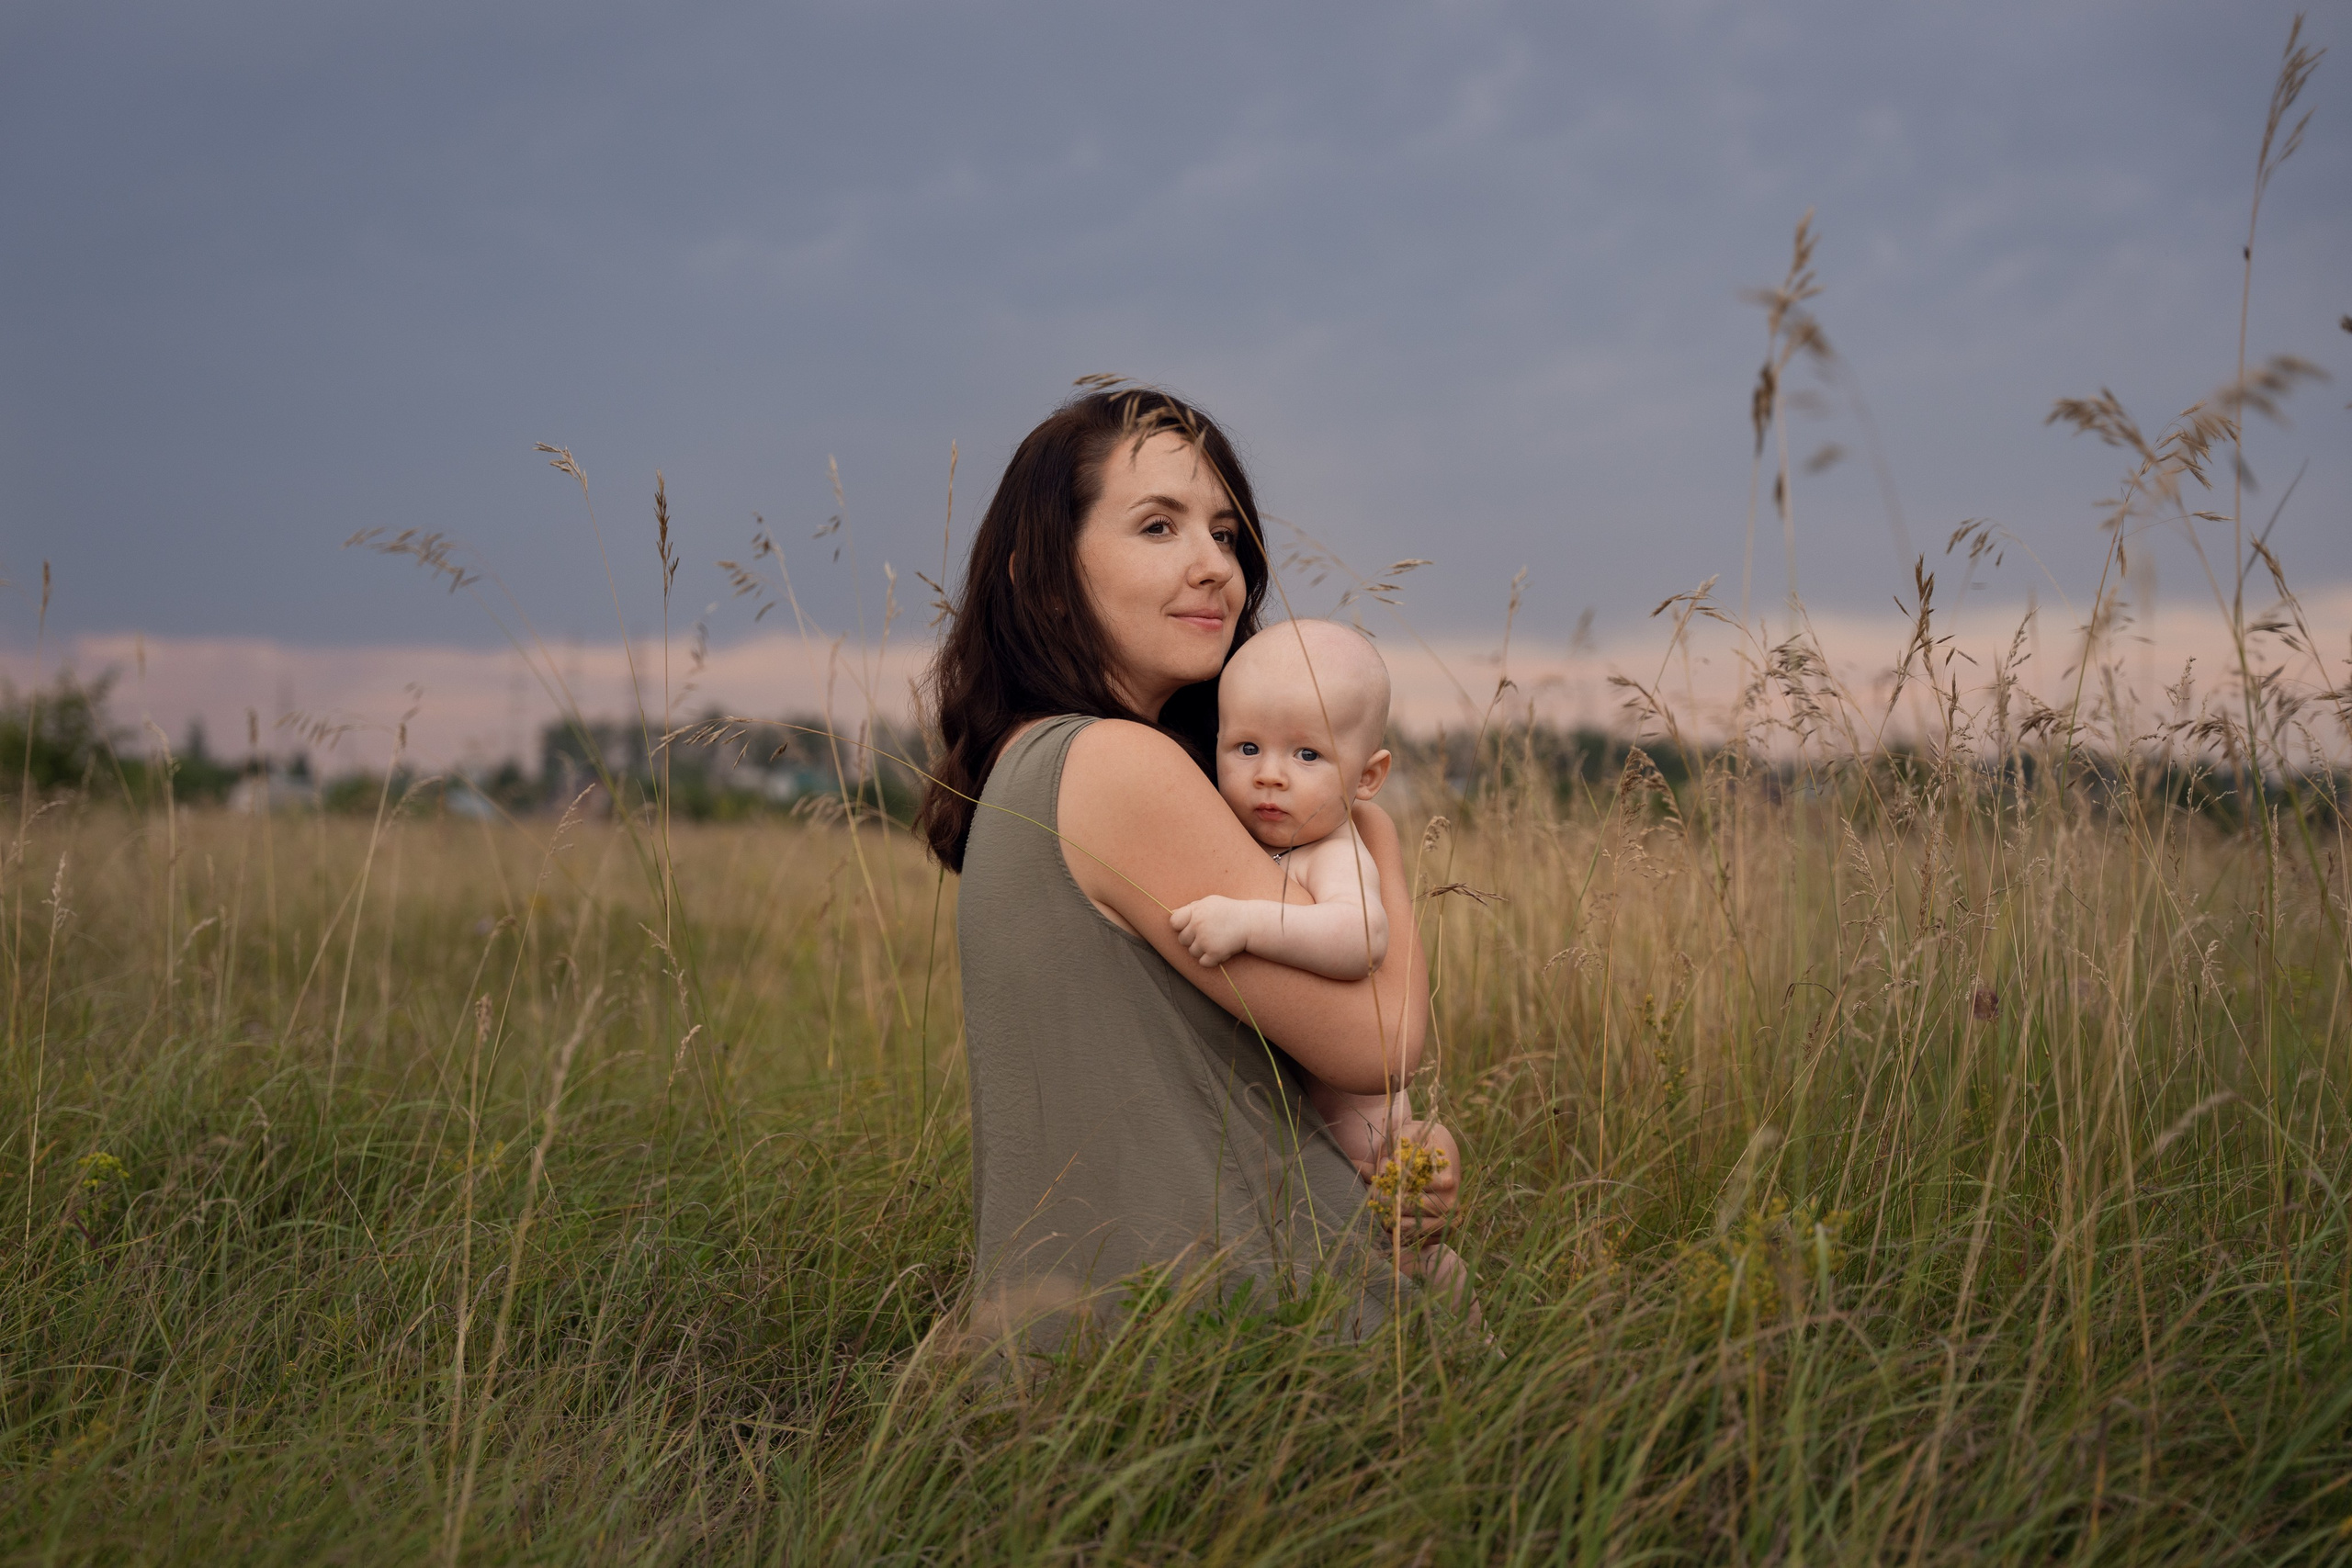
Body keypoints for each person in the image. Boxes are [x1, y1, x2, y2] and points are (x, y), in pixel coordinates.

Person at [917, 384, 1462, 1350]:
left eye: (1224, 532)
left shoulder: (1033, 766)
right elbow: (1378, 1043)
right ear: (1040, 579)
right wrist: (1366, 825)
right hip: (1234, 1352)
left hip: (1128, 1357)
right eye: (1158, 526)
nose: (1214, 565)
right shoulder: (1117, 768)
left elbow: (1243, 1077)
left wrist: (1391, 1150)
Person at [1167, 618, 1472, 1306]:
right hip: (1308, 1131)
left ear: (1368, 777)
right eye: (1246, 747)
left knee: (1404, 1264)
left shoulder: (1331, 848)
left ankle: (1466, 1342)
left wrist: (1247, 922)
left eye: (1307, 755)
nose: (1270, 774)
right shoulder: (1253, 837)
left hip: (1366, 1134)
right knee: (1367, 1263)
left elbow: (1360, 933)